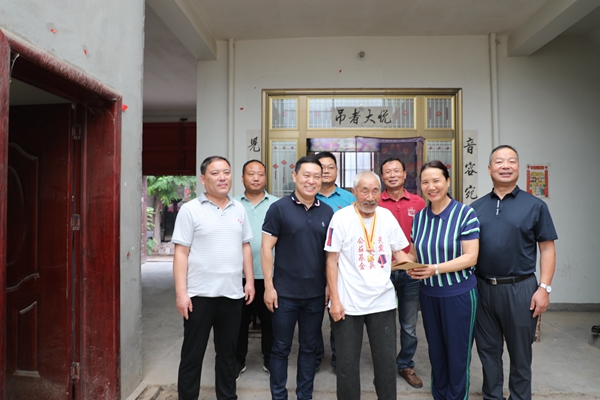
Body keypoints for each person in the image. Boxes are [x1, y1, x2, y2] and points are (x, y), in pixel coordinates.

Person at [472, 145, 557, 400]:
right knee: (488, 352)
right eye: (499, 161)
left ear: (518, 167)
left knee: (521, 354)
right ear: (489, 169)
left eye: (511, 161)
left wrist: (544, 288)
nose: (505, 166)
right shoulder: (475, 208)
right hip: (482, 288)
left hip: (520, 289)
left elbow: (547, 249)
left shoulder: (535, 206)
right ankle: (492, 396)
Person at [171, 155, 255, 400]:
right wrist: (181, 293)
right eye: (215, 173)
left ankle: (227, 397)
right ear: (203, 178)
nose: (222, 178)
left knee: (228, 355)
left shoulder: (238, 208)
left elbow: (245, 246)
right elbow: (181, 253)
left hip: (232, 294)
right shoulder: (190, 210)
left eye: (226, 172)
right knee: (192, 355)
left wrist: (249, 281)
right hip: (199, 295)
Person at [325, 171, 414, 400]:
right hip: (348, 303)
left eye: (375, 191)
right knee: (346, 364)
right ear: (354, 192)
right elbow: (331, 261)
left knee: (386, 364)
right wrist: (335, 300)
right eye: (364, 191)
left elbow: (399, 253)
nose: (370, 197)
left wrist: (414, 267)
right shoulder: (341, 218)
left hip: (383, 301)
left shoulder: (386, 216)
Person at [261, 155, 334, 400]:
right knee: (280, 348)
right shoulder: (278, 208)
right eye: (306, 175)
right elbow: (266, 248)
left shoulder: (327, 211)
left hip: (315, 295)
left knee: (309, 348)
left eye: (316, 176)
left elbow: (330, 254)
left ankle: (305, 395)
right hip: (284, 294)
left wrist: (328, 286)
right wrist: (269, 287)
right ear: (295, 176)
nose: (311, 181)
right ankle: (279, 396)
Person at [407, 160, 480, 400]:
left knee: (457, 355)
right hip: (429, 294)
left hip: (458, 295)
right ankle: (439, 395)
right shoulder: (419, 218)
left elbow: (471, 257)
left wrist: (435, 269)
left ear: (447, 182)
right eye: (425, 182)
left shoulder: (465, 214)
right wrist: (408, 266)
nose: (431, 186)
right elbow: (415, 254)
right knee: (436, 352)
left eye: (436, 180)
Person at [378, 157, 426, 388]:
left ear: (405, 174)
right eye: (388, 172)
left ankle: (406, 363)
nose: (392, 175)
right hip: (382, 272)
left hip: (410, 271)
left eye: (396, 171)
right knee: (382, 322)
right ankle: (384, 363)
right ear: (382, 176)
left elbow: (424, 235)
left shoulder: (418, 202)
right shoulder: (376, 202)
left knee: (408, 324)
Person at [234, 160, 279, 379]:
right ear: (242, 178)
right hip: (238, 276)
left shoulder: (277, 205)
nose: (256, 178)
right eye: (251, 174)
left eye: (260, 174)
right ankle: (237, 361)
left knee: (271, 322)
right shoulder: (231, 204)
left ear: (266, 178)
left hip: (269, 276)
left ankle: (270, 360)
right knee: (238, 322)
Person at [314, 151, 356, 371]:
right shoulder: (308, 195)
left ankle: (340, 359)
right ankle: (314, 356)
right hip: (312, 263)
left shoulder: (349, 199)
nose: (326, 171)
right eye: (322, 167)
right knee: (312, 314)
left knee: (339, 313)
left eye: (331, 167)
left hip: (342, 265)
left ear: (337, 170)